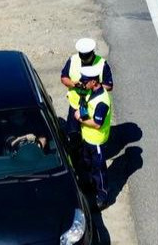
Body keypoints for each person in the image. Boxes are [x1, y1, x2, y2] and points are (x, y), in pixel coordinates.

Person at [75, 65, 114, 209]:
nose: (83, 83)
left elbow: (97, 124)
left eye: (85, 81)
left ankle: (103, 197)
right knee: (88, 163)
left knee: (99, 169)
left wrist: (80, 119)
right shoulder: (91, 91)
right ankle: (91, 185)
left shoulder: (102, 101)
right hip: (87, 138)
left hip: (96, 140)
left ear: (93, 81)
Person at [60, 38, 113, 141]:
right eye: (82, 57)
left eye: (87, 58)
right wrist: (73, 84)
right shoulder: (73, 60)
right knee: (72, 134)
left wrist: (94, 86)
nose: (84, 60)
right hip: (75, 105)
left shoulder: (102, 64)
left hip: (92, 108)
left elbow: (109, 85)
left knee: (90, 131)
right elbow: (64, 78)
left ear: (92, 53)